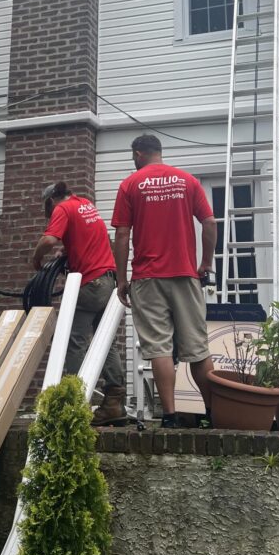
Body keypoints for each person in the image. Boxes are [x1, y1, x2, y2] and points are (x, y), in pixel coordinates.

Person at [111, 134, 217, 428]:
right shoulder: (187, 181)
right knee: (197, 349)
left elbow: (121, 234)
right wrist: (205, 263)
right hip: (185, 274)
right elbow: (209, 222)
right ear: (159, 152)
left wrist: (121, 279)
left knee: (158, 348)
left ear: (137, 154)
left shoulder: (130, 185)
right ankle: (213, 413)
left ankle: (169, 416)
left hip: (148, 278)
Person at [32, 181, 127, 425]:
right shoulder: (86, 205)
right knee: (105, 341)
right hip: (107, 281)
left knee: (74, 341)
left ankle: (75, 402)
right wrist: (69, 254)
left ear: (52, 200)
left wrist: (35, 258)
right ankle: (114, 402)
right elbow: (91, 240)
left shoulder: (62, 209)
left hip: (89, 284)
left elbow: (49, 240)